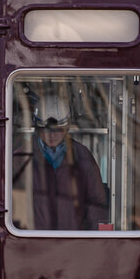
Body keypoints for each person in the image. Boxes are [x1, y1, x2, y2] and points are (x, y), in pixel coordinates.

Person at [26, 97, 110, 230]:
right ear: (36, 128)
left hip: (73, 242)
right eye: (45, 129)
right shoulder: (21, 158)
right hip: (32, 243)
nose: (52, 135)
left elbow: (96, 204)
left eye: (58, 130)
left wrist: (99, 240)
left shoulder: (83, 156)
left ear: (67, 128)